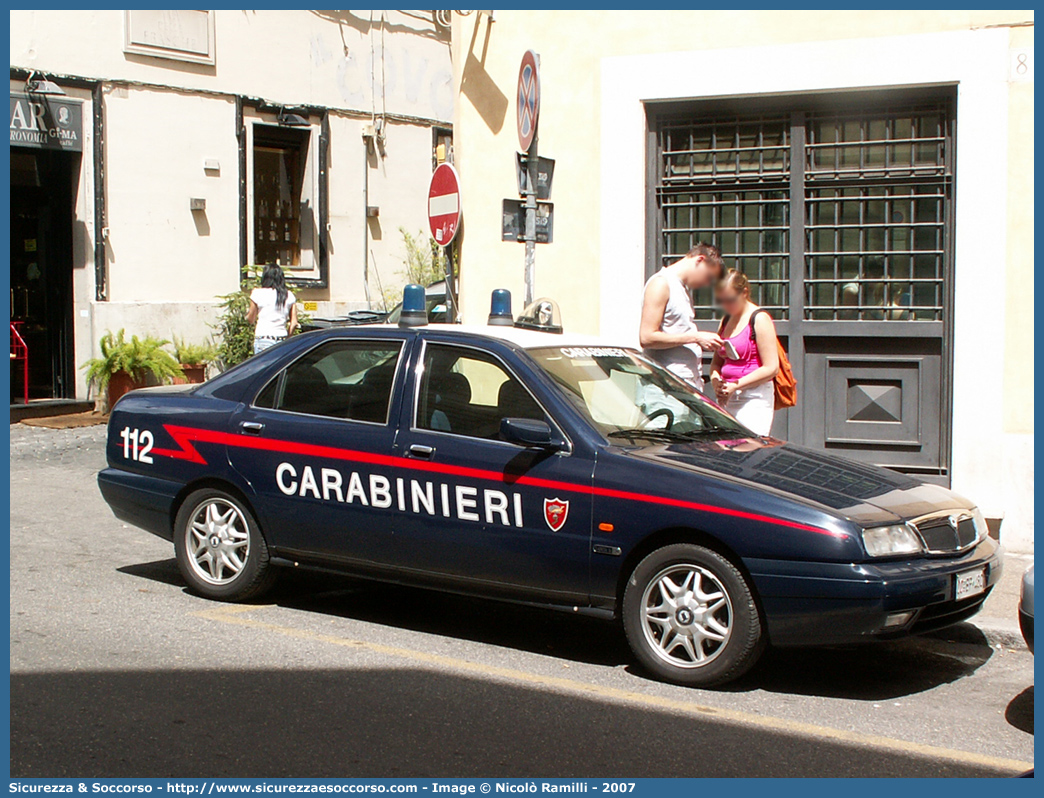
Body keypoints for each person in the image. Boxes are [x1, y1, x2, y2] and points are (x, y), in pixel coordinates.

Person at [639, 242, 725, 386]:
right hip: (666, 385)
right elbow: (646, 337)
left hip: (685, 383)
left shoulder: (681, 288)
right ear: (700, 260)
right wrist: (696, 337)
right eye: (708, 277)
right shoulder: (661, 283)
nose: (706, 284)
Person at [709, 269, 780, 436]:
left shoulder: (759, 318)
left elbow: (771, 368)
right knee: (726, 447)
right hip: (728, 396)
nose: (726, 305)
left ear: (744, 293)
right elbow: (716, 362)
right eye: (722, 300)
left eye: (730, 300)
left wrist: (737, 384)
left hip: (753, 395)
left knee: (748, 446)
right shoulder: (726, 319)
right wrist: (716, 381)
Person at [246, 264, 298, 355]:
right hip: (281, 339)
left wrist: (246, 316)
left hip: (263, 339)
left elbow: (251, 319)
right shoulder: (288, 295)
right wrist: (288, 336)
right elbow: (294, 323)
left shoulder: (257, 293)